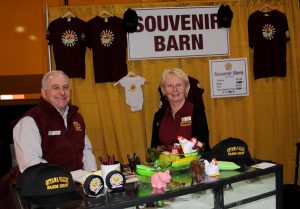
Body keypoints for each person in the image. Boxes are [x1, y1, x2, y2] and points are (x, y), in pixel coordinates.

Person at [13, 70, 97, 173]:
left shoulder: (76, 117)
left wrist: (91, 177)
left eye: (65, 87)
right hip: (48, 185)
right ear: (44, 93)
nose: (62, 92)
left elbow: (86, 151)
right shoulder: (30, 121)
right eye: (55, 87)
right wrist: (63, 180)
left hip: (78, 184)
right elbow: (31, 164)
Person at [151, 68, 210, 153]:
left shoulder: (197, 113)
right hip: (165, 164)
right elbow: (154, 149)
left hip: (191, 164)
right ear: (164, 90)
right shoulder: (159, 116)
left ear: (186, 88)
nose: (175, 89)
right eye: (170, 86)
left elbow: (203, 146)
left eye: (179, 85)